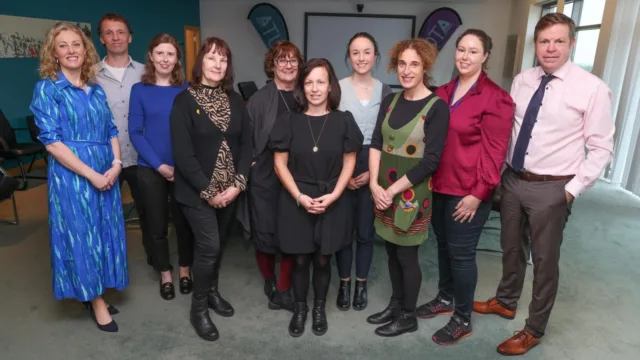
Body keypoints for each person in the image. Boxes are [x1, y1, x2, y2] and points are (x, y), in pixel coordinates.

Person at [473, 13, 615, 356]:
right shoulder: (522, 80)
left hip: (553, 187)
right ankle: (506, 301)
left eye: (558, 41)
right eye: (544, 41)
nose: (550, 48)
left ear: (572, 43)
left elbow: (601, 148)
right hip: (514, 180)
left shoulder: (592, 88)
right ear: (535, 44)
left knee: (544, 261)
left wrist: (570, 190)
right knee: (511, 248)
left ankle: (533, 329)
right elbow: (510, 130)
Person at [414, 29, 514, 346]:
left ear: (485, 56)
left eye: (473, 51)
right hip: (439, 185)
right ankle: (445, 299)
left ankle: (462, 318)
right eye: (460, 49)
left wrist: (478, 194)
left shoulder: (496, 98)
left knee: (461, 254)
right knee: (443, 247)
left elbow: (495, 153)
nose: (465, 56)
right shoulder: (442, 92)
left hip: (469, 191)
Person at [30, 22, 127, 332]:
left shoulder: (95, 89)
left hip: (105, 170)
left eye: (76, 44)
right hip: (73, 176)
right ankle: (95, 300)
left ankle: (95, 288)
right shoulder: (48, 88)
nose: (71, 50)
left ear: (85, 50)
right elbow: (52, 142)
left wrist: (116, 163)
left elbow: (111, 129)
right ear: (53, 53)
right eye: (63, 45)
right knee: (82, 236)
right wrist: (91, 175)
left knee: (102, 232)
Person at [271, 58, 363, 337]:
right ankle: (301, 308)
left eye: (320, 82)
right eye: (309, 82)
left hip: (332, 199)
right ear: (302, 86)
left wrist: (334, 194)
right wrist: (299, 196)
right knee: (300, 259)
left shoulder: (343, 120)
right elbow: (279, 164)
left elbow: (350, 162)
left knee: (323, 259)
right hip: (296, 198)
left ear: (330, 86)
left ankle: (319, 308)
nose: (314, 88)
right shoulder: (289, 120)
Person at [170, 37, 252, 342]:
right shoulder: (184, 101)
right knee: (209, 247)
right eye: (211, 58)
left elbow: (247, 144)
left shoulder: (235, 101)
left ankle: (213, 292)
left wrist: (238, 184)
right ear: (200, 62)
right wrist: (209, 191)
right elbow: (183, 154)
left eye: (223, 59)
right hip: (196, 193)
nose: (218, 65)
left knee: (219, 248)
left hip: (231, 190)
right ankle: (199, 308)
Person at [366, 38, 449, 337]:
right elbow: (376, 143)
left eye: (414, 64)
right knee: (390, 251)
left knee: (406, 255)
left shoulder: (437, 107)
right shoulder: (390, 101)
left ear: (425, 66)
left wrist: (391, 190)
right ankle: (395, 304)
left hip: (411, 194)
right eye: (402, 63)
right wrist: (375, 184)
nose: (407, 70)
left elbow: (431, 161)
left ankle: (408, 315)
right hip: (383, 190)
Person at [129, 34, 193, 300]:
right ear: (151, 57)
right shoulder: (139, 90)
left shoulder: (187, 88)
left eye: (170, 54)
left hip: (183, 169)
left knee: (184, 224)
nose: (165, 59)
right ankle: (165, 273)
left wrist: (182, 165)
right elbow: (135, 132)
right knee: (155, 226)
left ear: (177, 58)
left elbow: (193, 129)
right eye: (160, 53)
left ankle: (184, 270)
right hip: (150, 168)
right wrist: (159, 165)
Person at [335, 32, 392, 311]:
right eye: (355, 52)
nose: (361, 58)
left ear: (375, 56)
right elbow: (329, 133)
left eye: (366, 52)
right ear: (348, 56)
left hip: (373, 165)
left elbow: (387, 141)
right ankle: (344, 284)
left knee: (366, 232)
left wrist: (373, 174)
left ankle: (361, 284)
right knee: (343, 231)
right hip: (341, 164)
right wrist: (342, 176)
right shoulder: (337, 88)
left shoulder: (386, 91)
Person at [246, 40, 302, 312]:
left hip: (299, 172)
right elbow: (247, 138)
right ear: (273, 64)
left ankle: (283, 287)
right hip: (266, 173)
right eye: (282, 59)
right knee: (264, 230)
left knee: (292, 230)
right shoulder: (259, 99)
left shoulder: (308, 93)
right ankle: (269, 280)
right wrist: (252, 163)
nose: (288, 65)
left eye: (293, 60)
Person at [94, 13, 152, 266]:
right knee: (104, 217)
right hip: (106, 160)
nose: (115, 37)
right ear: (101, 38)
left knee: (150, 215)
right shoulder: (89, 75)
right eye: (109, 32)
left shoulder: (146, 73)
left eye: (120, 32)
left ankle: (157, 262)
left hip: (142, 158)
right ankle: (109, 266)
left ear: (130, 37)